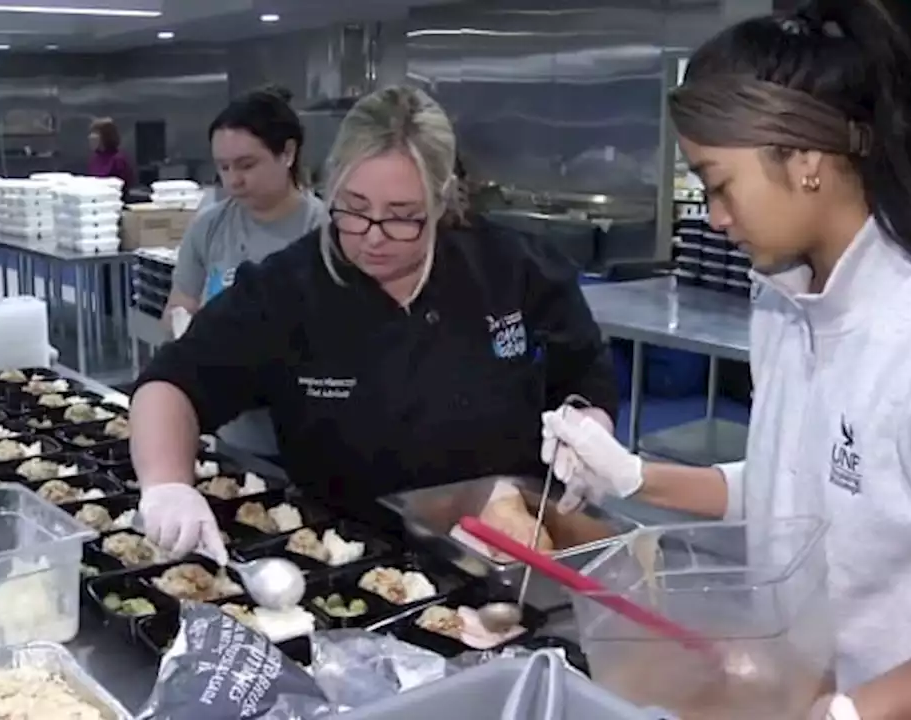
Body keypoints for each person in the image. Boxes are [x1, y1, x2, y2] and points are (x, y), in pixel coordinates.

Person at [541, 2, 911, 718]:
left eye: (720, 184)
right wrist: (633, 475)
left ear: (806, 157)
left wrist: (849, 713)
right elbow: (795, 489)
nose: (715, 217)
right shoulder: (783, 306)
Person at [129, 85, 618, 565]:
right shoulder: (288, 289)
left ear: (443, 200)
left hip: (505, 559)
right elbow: (173, 384)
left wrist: (591, 425)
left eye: (404, 217)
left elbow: (583, 370)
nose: (373, 238)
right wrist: (166, 483)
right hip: (347, 563)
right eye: (355, 209)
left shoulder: (513, 269)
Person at [162, 86, 327, 460]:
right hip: (231, 432)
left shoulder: (325, 231)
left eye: (246, 165)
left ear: (287, 153)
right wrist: (188, 334)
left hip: (307, 436)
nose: (232, 180)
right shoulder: (209, 227)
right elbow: (179, 305)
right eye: (223, 167)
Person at [87, 117, 132, 187]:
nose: (91, 137)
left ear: (106, 136)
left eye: (95, 133)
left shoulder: (118, 159)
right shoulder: (95, 158)